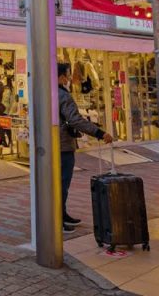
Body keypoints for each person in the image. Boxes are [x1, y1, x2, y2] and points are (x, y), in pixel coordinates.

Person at [58, 62, 114, 232]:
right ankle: (57, 218)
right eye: (67, 75)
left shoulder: (45, 93)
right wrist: (98, 132)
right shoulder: (63, 96)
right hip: (62, 145)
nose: (69, 78)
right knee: (62, 183)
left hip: (52, 144)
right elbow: (75, 119)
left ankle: (61, 213)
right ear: (61, 77)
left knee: (58, 184)